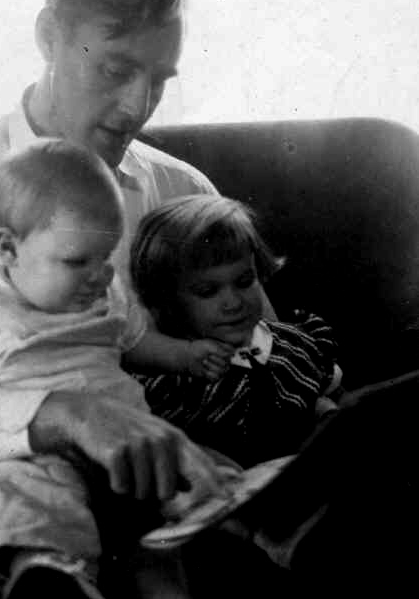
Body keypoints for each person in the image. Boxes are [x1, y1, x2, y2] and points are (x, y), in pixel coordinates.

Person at [0, 0, 279, 559]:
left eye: (159, 79)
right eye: (116, 70)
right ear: (47, 38)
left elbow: (267, 352)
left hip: (171, 499)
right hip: (3, 512)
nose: (138, 107)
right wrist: (58, 416)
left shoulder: (181, 189)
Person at [0, 143, 241, 599]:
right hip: (36, 454)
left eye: (106, 255)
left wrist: (187, 355)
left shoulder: (102, 294)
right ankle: (52, 577)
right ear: (9, 248)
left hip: (127, 444)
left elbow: (134, 340)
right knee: (20, 494)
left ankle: (244, 523)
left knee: (204, 470)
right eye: (78, 261)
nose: (99, 276)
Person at [129, 194, 344, 468]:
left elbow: (330, 400)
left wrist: (327, 414)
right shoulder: (169, 379)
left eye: (244, 281)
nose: (233, 303)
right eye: (208, 291)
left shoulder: (293, 344)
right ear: (168, 301)